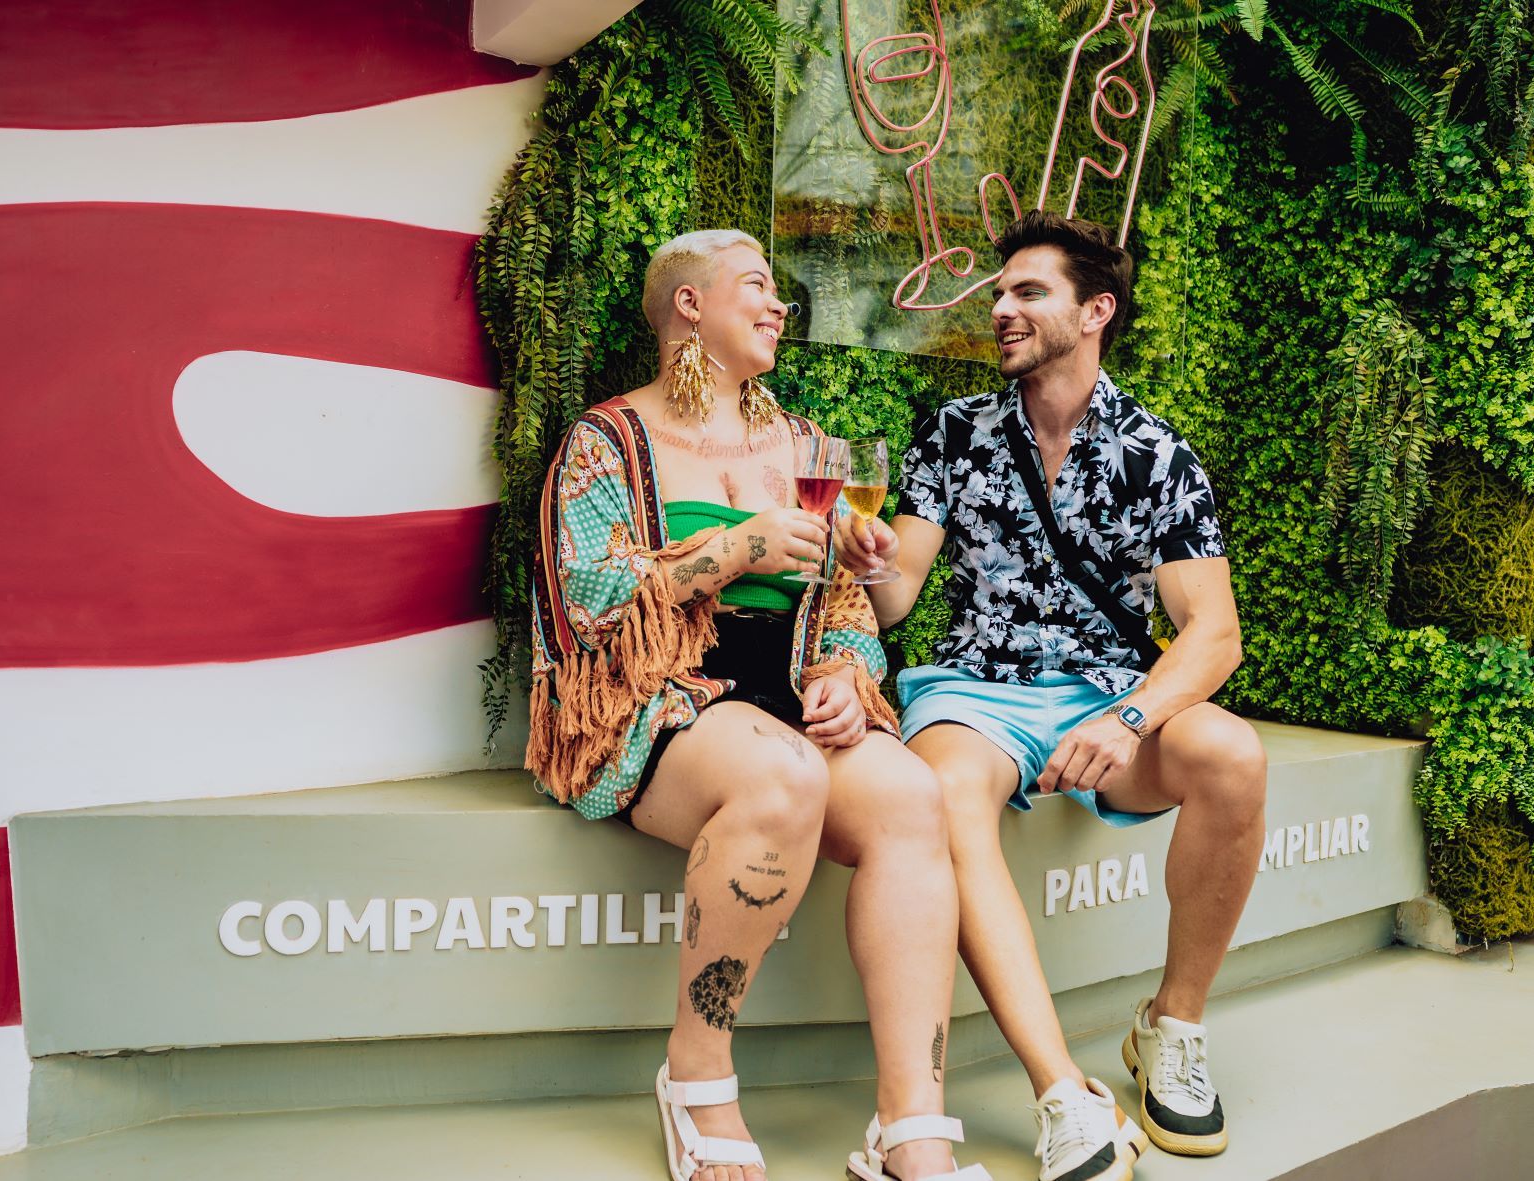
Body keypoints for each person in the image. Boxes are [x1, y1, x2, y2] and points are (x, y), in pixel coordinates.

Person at [528, 229, 990, 1181]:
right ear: (689, 304)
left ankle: (909, 1122)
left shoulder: (810, 447)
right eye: (756, 285)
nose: (780, 304)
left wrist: (844, 675)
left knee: (911, 796)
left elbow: (847, 604)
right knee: (783, 776)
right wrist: (736, 549)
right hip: (659, 696)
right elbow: (587, 604)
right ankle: (696, 1071)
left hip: (790, 691)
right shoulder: (606, 442)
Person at [839, 210, 1267, 1181]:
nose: (1000, 307)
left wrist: (1128, 717)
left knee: (1231, 754)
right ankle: (1063, 1093)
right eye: (997, 292)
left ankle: (1171, 1026)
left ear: (1095, 310)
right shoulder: (952, 432)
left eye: (1027, 291)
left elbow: (1213, 630)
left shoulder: (1156, 454)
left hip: (1105, 693)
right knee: (945, 794)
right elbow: (899, 594)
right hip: (975, 687)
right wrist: (869, 560)